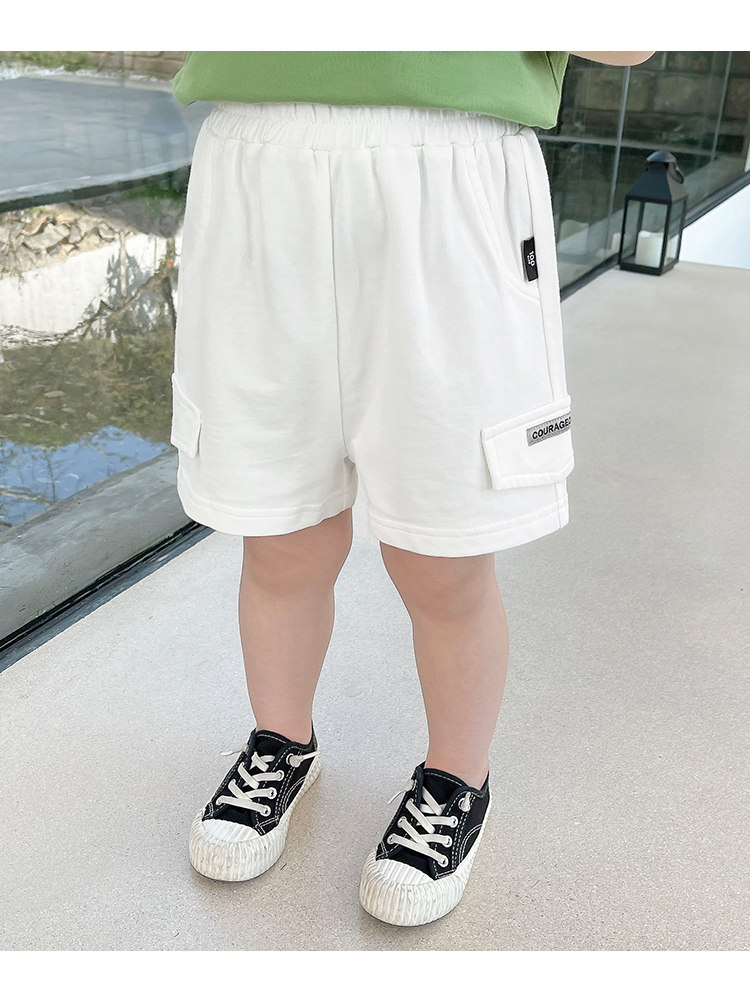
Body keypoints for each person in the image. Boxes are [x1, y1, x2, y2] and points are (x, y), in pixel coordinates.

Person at [169, 50, 656, 927]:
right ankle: (281, 741)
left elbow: (632, 40)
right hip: (258, 161)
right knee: (279, 533)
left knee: (443, 551)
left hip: (450, 170)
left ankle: (456, 780)